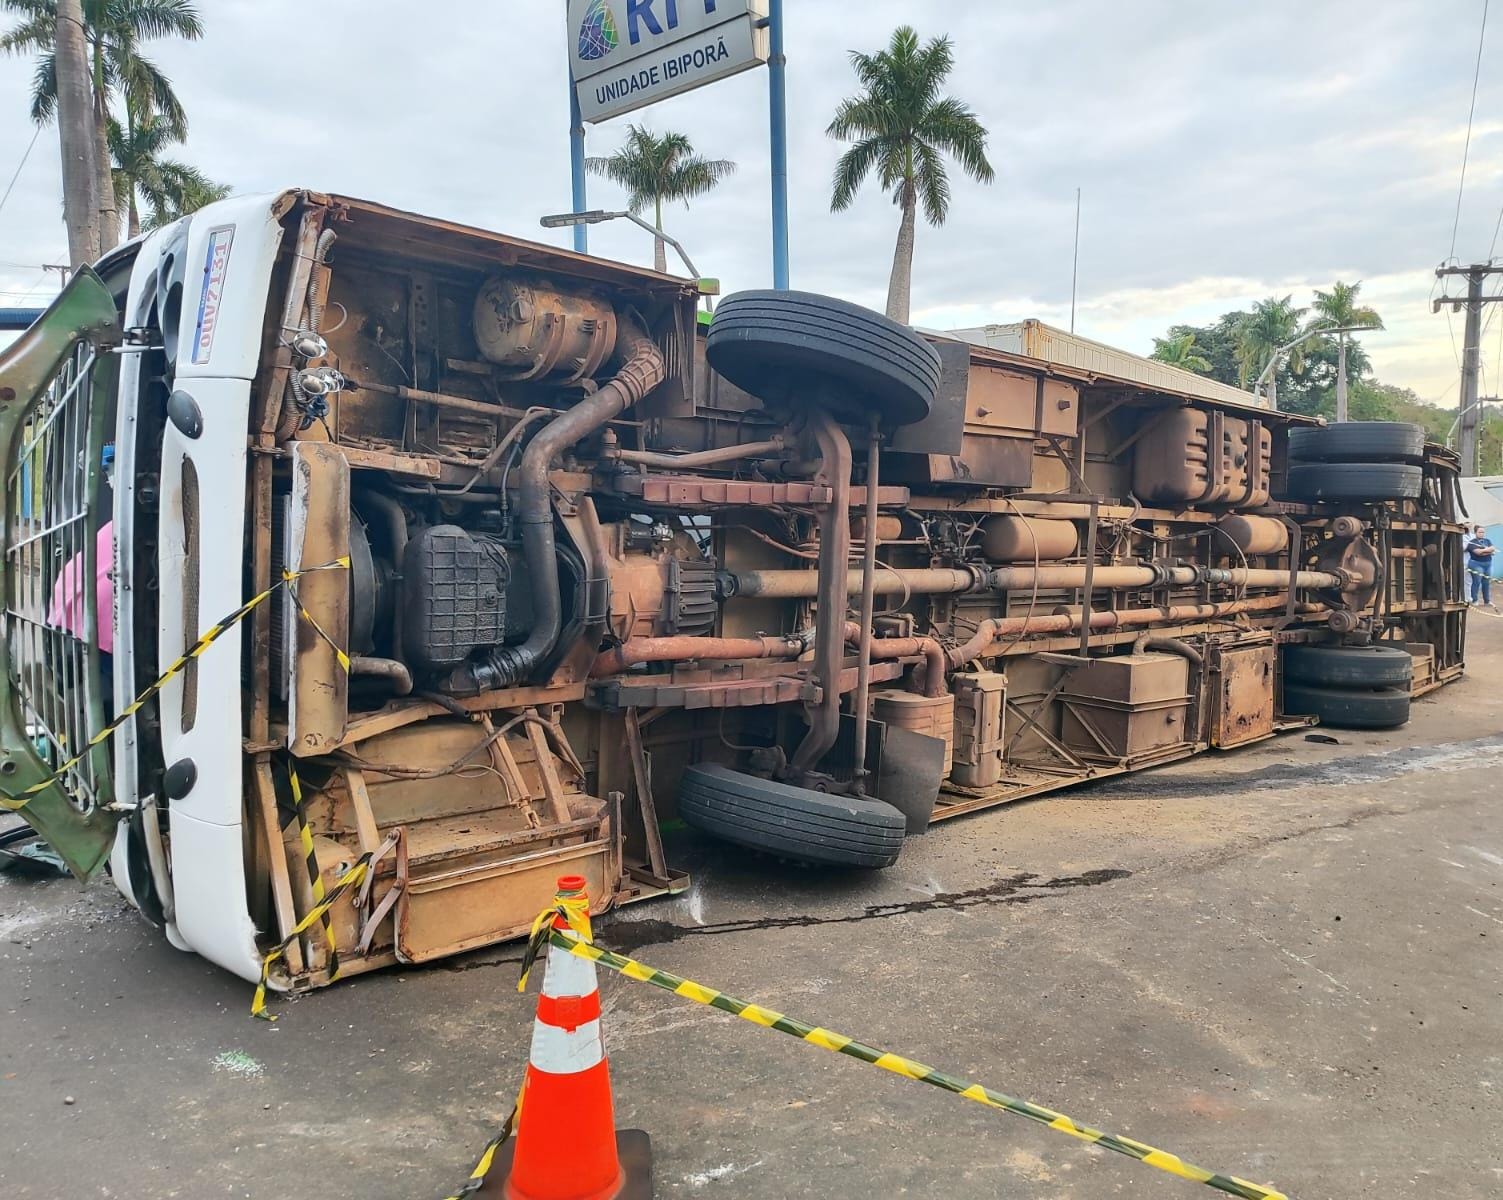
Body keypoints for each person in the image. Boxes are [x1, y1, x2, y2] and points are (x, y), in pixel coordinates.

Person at [1465, 523, 1496, 608]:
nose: (1482, 534)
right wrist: (1488, 551)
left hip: (1488, 564)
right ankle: (1474, 600)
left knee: (1486, 583)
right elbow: (1478, 553)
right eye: (1480, 532)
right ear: (1475, 533)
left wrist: (1485, 551)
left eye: (1483, 532)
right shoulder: (1472, 542)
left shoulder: (1487, 540)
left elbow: (1493, 549)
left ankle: (1487, 601)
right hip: (1476, 564)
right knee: (1476, 582)